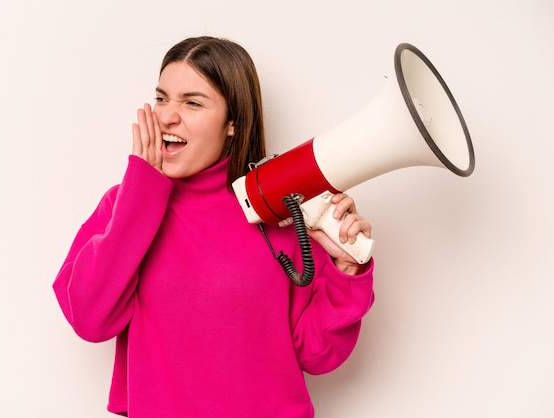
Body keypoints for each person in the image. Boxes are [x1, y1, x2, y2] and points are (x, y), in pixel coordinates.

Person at [53, 36, 374, 417]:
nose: (167, 116)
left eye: (192, 102)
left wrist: (347, 270)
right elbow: (90, 319)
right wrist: (142, 191)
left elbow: (317, 355)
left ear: (233, 123)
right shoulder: (123, 205)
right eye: (161, 98)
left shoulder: (278, 209)